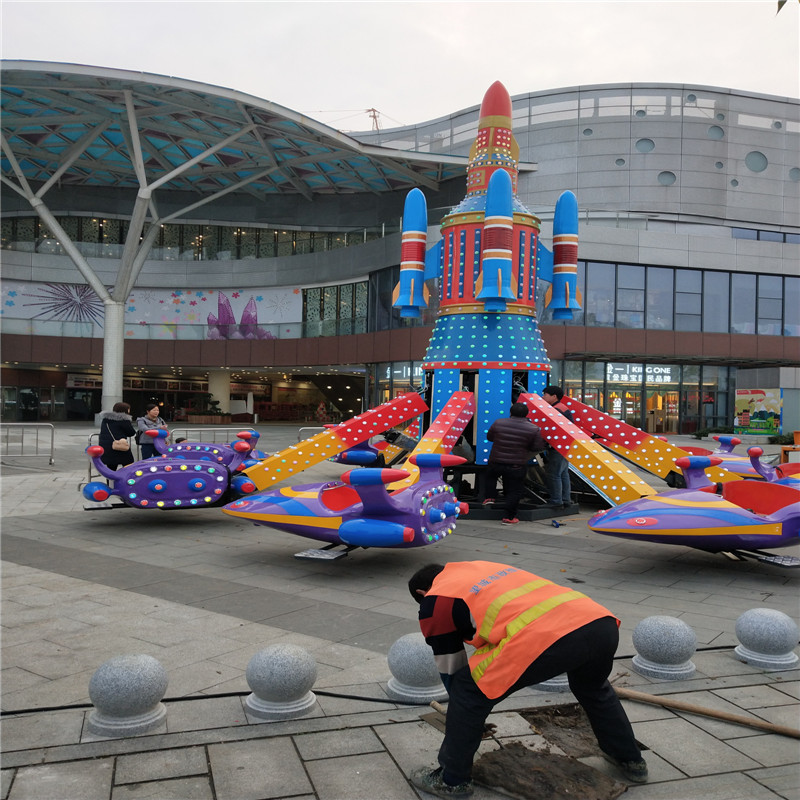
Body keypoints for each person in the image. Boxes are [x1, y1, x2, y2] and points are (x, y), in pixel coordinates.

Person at [408, 561, 647, 798]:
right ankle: (630, 759)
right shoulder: (475, 567)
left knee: (467, 688)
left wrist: (465, 713)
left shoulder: (435, 599)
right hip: (599, 622)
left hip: (544, 637)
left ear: (422, 593)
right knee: (593, 687)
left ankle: (451, 781)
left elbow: (450, 664)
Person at [483, 402, 545, 525]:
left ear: (510, 412)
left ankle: (489, 497)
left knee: (490, 477)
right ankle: (508, 517)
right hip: (516, 465)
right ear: (527, 414)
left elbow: (490, 437)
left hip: (495, 461)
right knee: (514, 491)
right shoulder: (533, 428)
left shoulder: (498, 422)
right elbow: (537, 447)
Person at [541, 384, 573, 508]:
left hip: (558, 447)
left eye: (545, 395)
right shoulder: (563, 408)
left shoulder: (557, 410)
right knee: (563, 473)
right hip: (565, 446)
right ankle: (565, 499)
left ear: (554, 396)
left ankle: (556, 501)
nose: (542, 397)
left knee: (554, 474)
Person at [97, 401, 136, 470]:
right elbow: (131, 432)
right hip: (120, 445)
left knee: (111, 467)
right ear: (125, 410)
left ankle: (111, 480)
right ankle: (126, 480)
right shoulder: (124, 420)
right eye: (128, 409)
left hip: (106, 446)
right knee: (129, 465)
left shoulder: (105, 419)